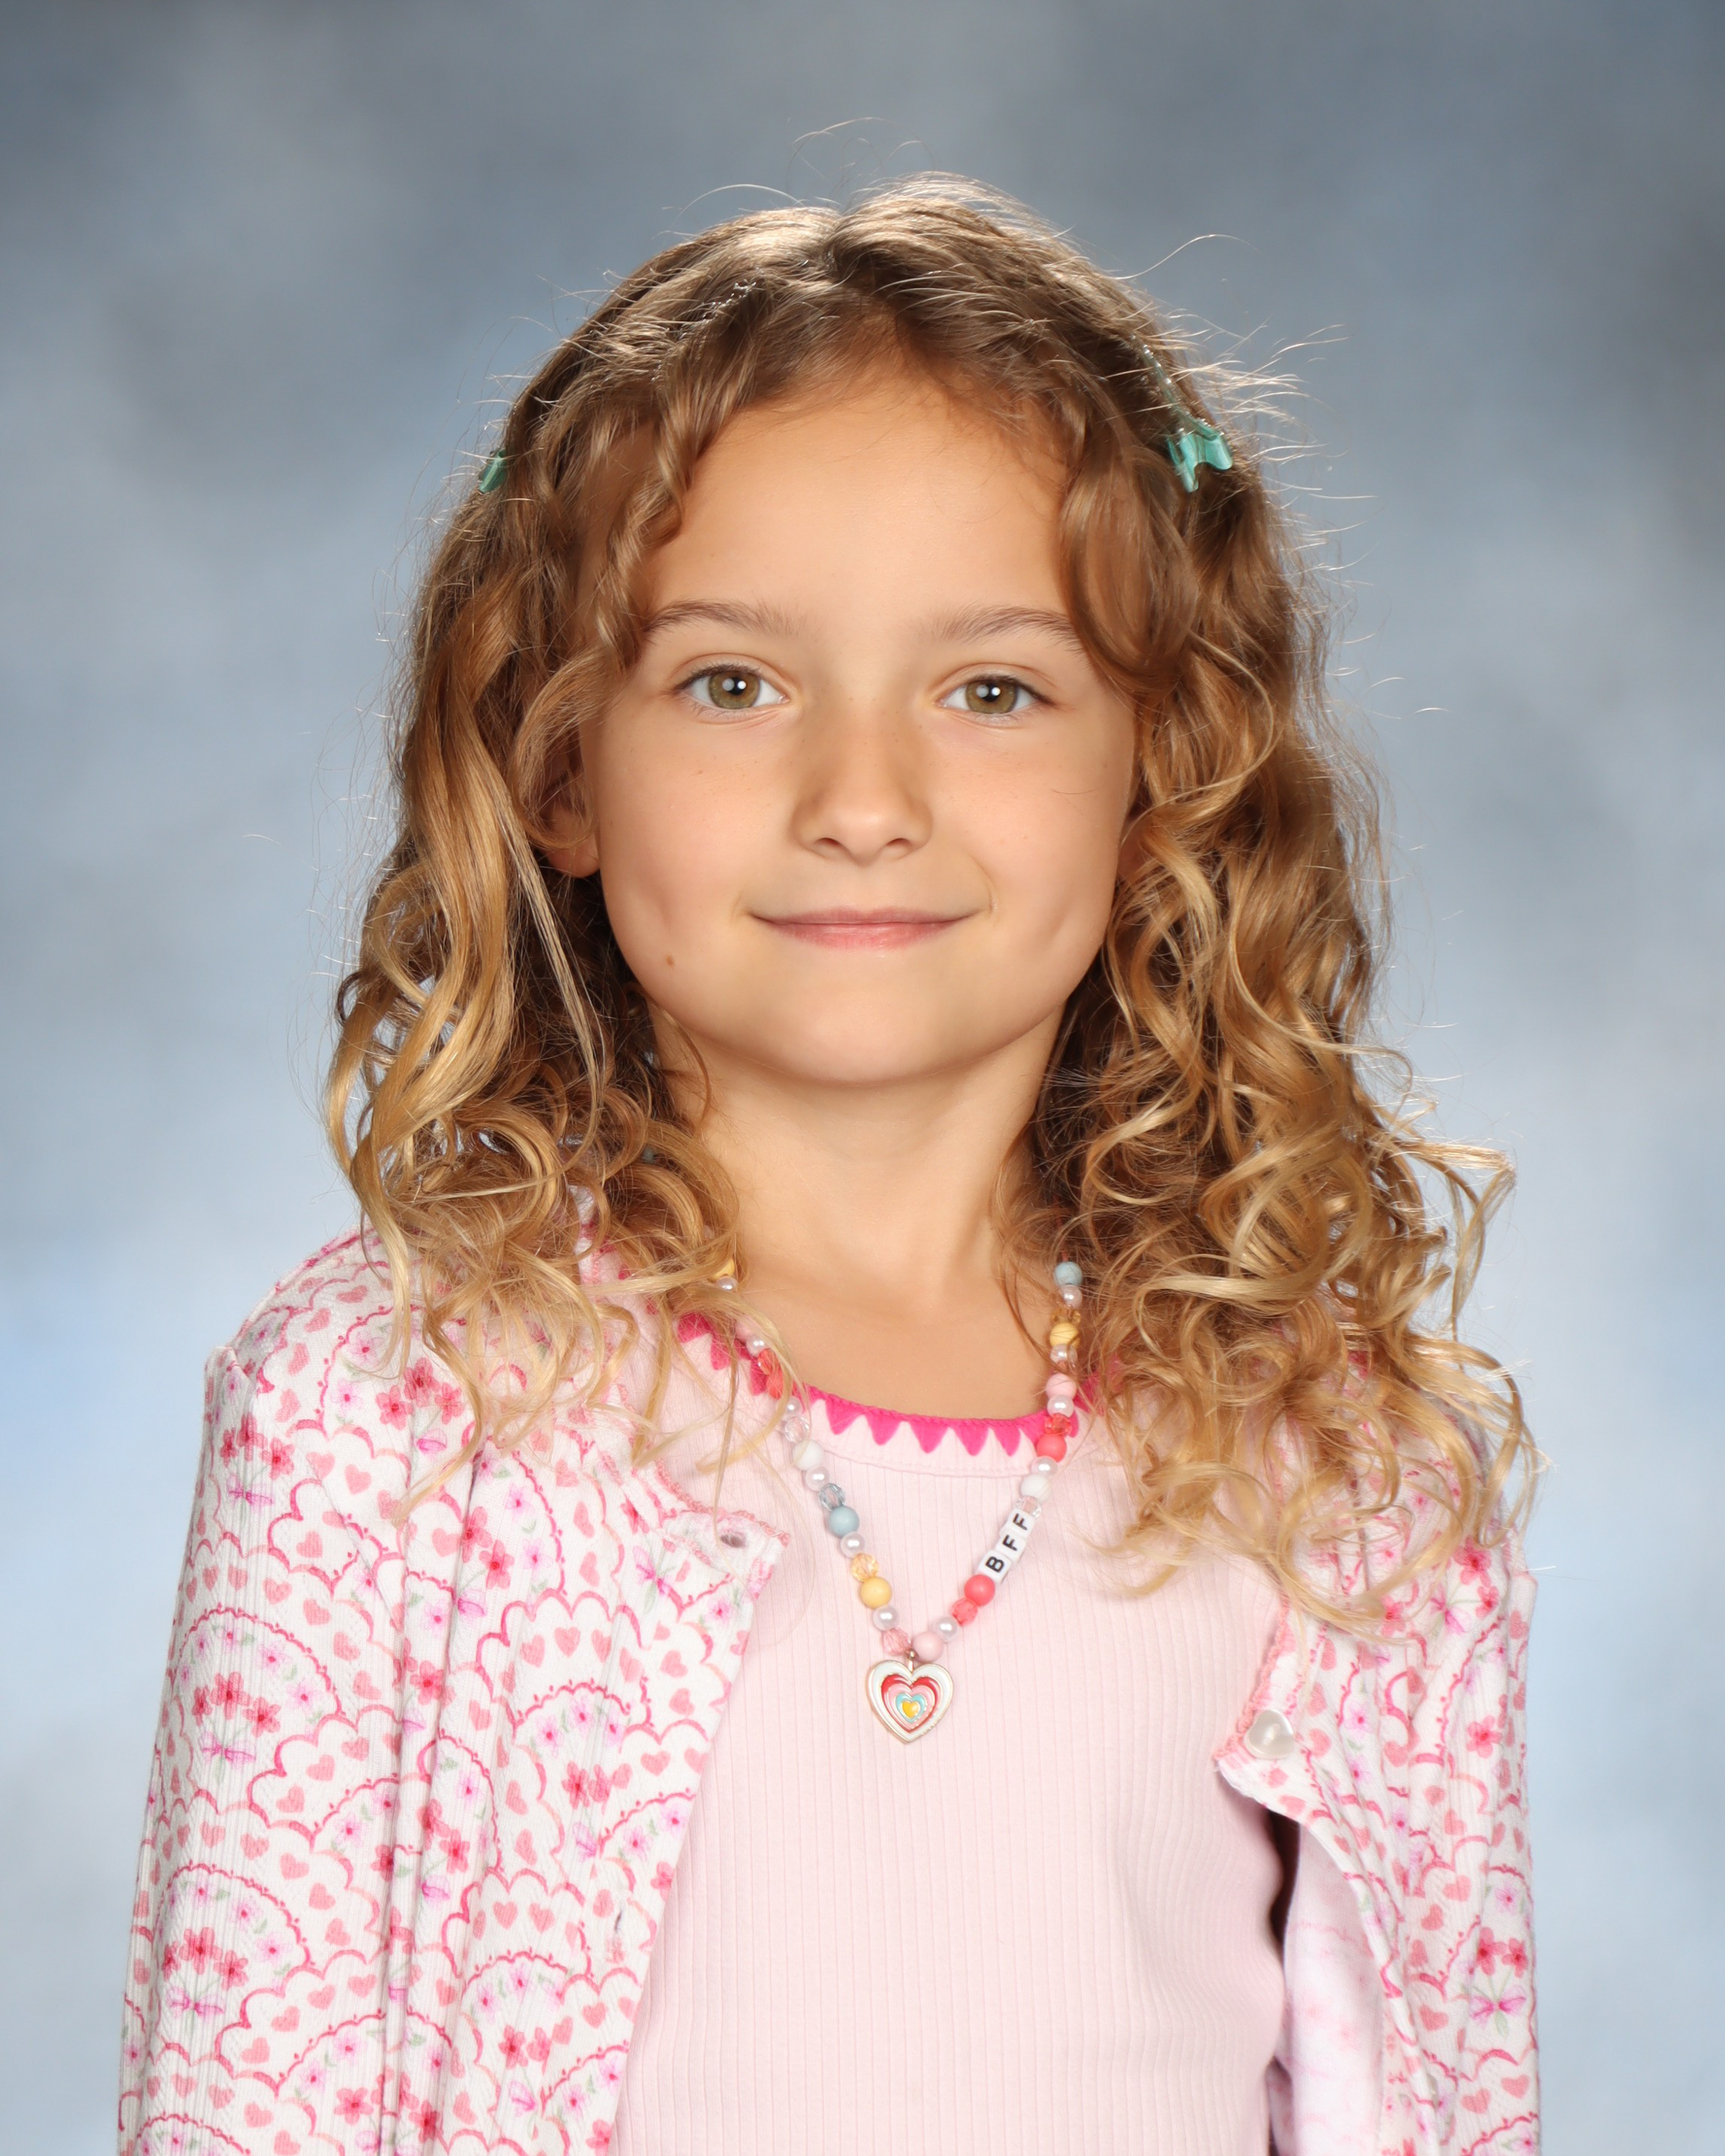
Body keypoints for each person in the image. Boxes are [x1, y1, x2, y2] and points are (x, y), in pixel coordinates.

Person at [119, 182, 1539, 2156]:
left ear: (1161, 778)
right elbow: (243, 2101)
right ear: (558, 765)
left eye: (992, 689)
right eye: (732, 682)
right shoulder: (387, 1417)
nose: (862, 801)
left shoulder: (1334, 1468)